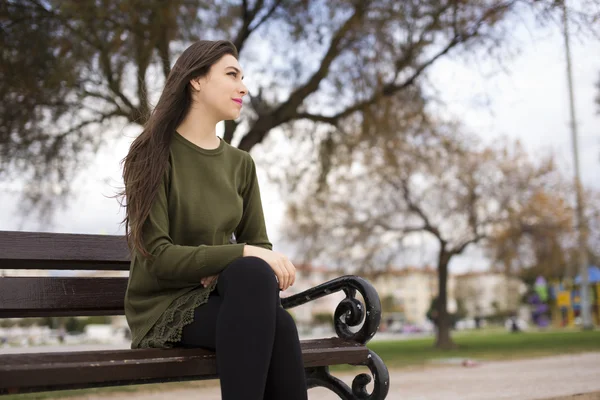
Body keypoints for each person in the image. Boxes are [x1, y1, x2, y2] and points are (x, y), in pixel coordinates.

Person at [119, 40, 308, 400]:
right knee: (268, 304)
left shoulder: (241, 164)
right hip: (164, 306)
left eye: (243, 77)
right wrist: (238, 255)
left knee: (274, 314)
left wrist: (232, 262)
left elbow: (259, 248)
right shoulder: (151, 154)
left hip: (222, 296)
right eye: (231, 74)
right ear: (197, 81)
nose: (243, 87)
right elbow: (158, 257)